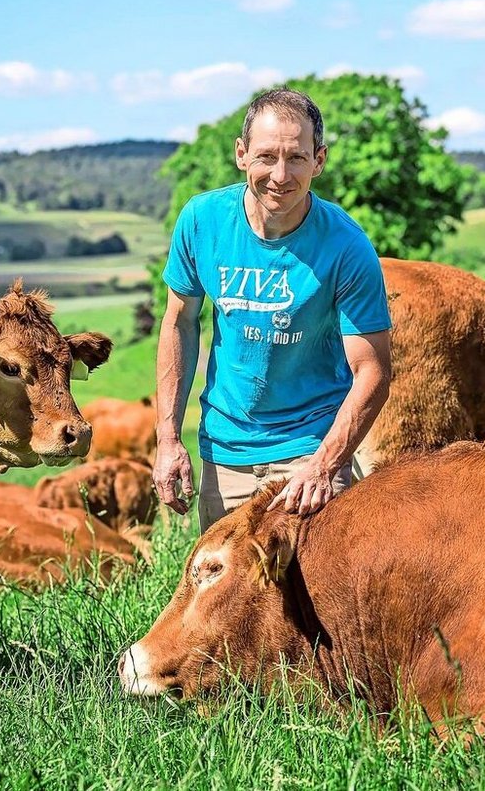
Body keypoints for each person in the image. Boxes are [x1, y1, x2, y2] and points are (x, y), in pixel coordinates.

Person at [153, 88, 393, 531]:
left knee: (321, 597)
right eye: (266, 156)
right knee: (228, 599)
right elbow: (179, 321)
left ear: (319, 161)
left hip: (312, 450)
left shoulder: (347, 247)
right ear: (241, 154)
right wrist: (167, 439)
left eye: (296, 158)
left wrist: (323, 466)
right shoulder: (201, 220)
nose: (280, 175)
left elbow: (373, 372)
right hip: (224, 455)